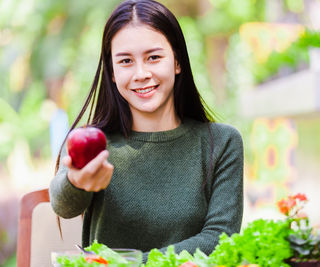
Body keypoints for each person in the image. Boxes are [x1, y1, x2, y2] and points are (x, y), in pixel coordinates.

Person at [49, 0, 243, 260]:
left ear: (177, 62)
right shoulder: (95, 145)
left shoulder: (221, 142)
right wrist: (76, 182)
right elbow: (63, 205)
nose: (141, 73)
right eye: (126, 61)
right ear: (113, 73)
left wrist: (131, 263)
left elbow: (220, 238)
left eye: (153, 57)